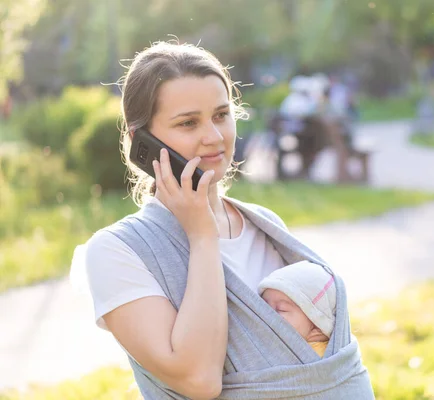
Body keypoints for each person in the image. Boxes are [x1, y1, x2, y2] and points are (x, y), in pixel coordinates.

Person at [70, 41, 374, 399]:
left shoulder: (265, 225)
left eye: (220, 115)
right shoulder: (116, 252)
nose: (214, 138)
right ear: (143, 142)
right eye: (188, 123)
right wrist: (201, 236)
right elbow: (199, 381)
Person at [258, 260, 336, 358]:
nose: (266, 314)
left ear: (317, 329)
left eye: (281, 309)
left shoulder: (317, 358)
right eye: (263, 306)